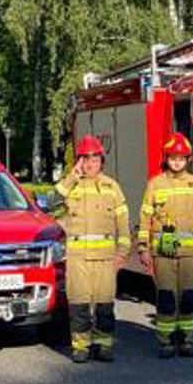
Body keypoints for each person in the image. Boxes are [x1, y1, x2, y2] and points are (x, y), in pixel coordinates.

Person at [55, 136, 132, 361]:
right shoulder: (70, 186)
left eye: (95, 160)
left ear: (102, 162)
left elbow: (123, 222)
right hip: (78, 258)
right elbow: (49, 205)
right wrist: (70, 179)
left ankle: (103, 345)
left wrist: (123, 253)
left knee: (104, 306)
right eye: (86, 160)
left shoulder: (111, 187)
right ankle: (81, 347)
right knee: (78, 304)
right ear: (79, 162)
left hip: (105, 259)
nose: (90, 165)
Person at [138, 134, 193, 358]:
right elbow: (145, 216)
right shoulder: (156, 184)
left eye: (181, 158)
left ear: (187, 160)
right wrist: (143, 247)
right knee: (167, 296)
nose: (177, 162)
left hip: (190, 250)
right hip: (165, 248)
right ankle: (166, 341)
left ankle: (187, 340)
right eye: (173, 158)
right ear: (166, 158)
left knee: (188, 296)